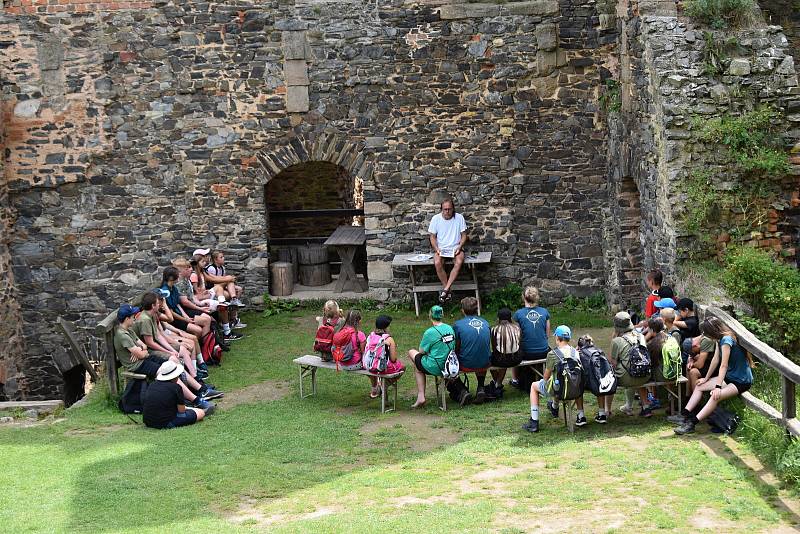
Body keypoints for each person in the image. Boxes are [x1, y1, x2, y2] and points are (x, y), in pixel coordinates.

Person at [674, 316, 754, 435]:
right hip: (730, 377)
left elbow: (723, 365)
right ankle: (685, 414)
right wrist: (705, 379)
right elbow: (715, 360)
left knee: (715, 396)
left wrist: (717, 387)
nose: (704, 336)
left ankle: (692, 423)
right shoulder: (719, 339)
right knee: (700, 385)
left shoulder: (726, 340)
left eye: (705, 333)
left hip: (741, 380)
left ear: (712, 331)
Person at [522, 325, 586, 432]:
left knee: (534, 386)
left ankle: (534, 421)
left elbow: (546, 377)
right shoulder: (575, 352)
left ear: (557, 338)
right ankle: (577, 414)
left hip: (558, 389)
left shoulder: (552, 354)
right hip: (575, 389)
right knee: (571, 381)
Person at [604, 311, 654, 418]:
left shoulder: (617, 341)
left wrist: (613, 339)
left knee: (610, 374)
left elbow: (613, 363)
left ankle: (607, 409)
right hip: (645, 375)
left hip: (627, 377)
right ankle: (646, 407)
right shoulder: (640, 336)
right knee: (636, 369)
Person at [408, 305, 455, 409]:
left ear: (430, 316)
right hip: (449, 365)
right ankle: (421, 397)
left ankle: (421, 396)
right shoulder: (449, 328)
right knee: (418, 363)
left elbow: (421, 351)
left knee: (412, 353)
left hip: (435, 366)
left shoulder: (430, 332)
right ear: (442, 315)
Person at [143, 361, 214, 429]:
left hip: (148, 422)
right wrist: (192, 409)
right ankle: (199, 411)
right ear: (175, 376)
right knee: (201, 413)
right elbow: (181, 411)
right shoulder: (176, 388)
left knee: (188, 410)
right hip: (166, 422)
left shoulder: (152, 385)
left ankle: (195, 410)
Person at [450, 297, 491, 404]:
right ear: (477, 309)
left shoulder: (458, 325)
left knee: (447, 364)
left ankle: (462, 390)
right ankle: (481, 387)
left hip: (467, 364)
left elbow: (456, 347)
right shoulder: (485, 322)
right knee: (479, 354)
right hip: (485, 361)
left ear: (462, 310)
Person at [428, 198, 468, 303]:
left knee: (459, 261)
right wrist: (436, 249)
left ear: (453, 209)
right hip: (441, 248)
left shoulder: (459, 218)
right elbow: (432, 237)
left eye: (449, 209)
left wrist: (459, 246)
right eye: (445, 209)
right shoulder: (436, 219)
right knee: (437, 262)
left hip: (455, 247)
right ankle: (447, 290)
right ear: (441, 209)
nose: (447, 211)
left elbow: (464, 236)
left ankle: (445, 290)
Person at [512, 286, 551, 389]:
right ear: (537, 297)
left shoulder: (518, 314)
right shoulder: (544, 312)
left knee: (514, 350)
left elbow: (517, 337)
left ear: (524, 298)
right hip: (543, 351)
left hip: (526, 353)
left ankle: (515, 379)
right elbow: (547, 335)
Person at [365, 315, 405, 398]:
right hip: (383, 367)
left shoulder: (371, 336)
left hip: (371, 366)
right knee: (402, 367)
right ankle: (384, 385)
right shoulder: (389, 339)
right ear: (386, 327)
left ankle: (379, 387)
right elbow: (393, 359)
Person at [487, 307, 522, 399]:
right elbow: (518, 343)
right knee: (504, 359)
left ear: (498, 318)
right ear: (510, 318)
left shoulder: (494, 329)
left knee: (490, 362)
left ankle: (497, 384)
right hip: (516, 359)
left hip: (502, 360)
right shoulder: (517, 328)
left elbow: (494, 348)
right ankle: (497, 384)